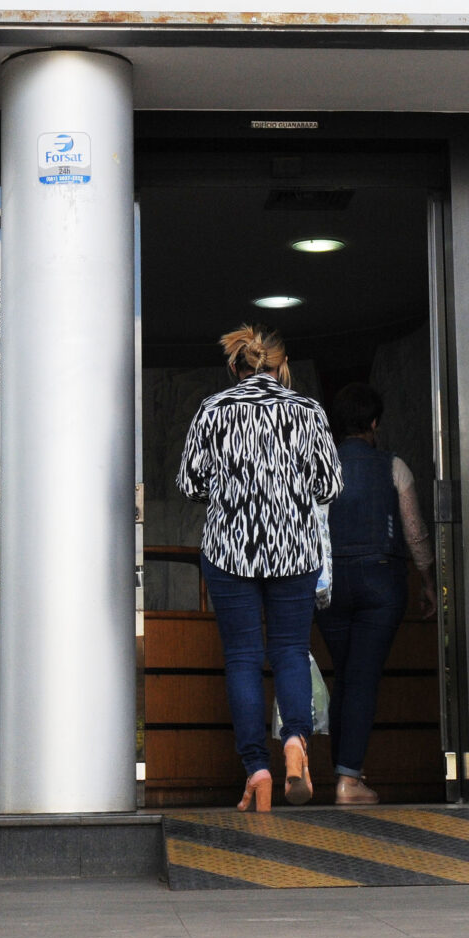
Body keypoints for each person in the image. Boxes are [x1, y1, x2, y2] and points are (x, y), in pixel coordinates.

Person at [177, 324, 342, 812]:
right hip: (294, 550)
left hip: (230, 551)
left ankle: (258, 769)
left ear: (237, 367)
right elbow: (330, 485)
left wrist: (233, 494)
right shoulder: (307, 410)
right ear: (281, 366)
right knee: (291, 651)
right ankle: (295, 744)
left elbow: (189, 483)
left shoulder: (214, 409)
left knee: (244, 658)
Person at [316, 383, 435, 805]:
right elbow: (414, 531)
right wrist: (426, 579)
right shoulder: (394, 466)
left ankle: (344, 774)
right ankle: (349, 780)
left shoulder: (319, 467)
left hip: (329, 584)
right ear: (372, 424)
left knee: (346, 676)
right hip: (381, 582)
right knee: (362, 677)